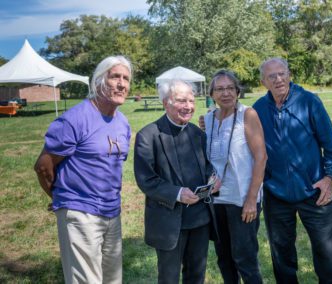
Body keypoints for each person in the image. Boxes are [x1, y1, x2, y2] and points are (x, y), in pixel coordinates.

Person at [34, 55, 132, 284]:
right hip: (81, 213)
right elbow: (43, 166)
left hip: (112, 212)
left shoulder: (123, 122)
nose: (122, 84)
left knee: (112, 280)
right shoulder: (74, 120)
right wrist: (62, 199)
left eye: (126, 78)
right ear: (98, 81)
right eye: (115, 76)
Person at [253, 58, 332, 283]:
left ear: (289, 74)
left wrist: (328, 177)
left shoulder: (309, 101)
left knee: (327, 253)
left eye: (282, 73)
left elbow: (330, 144)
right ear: (263, 81)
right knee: (281, 255)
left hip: (315, 191)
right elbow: (240, 137)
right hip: (277, 194)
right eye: (272, 76)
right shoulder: (257, 110)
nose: (278, 79)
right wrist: (210, 122)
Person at [134, 80, 220, 284]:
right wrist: (178, 193)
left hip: (200, 219)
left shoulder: (198, 134)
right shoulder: (148, 136)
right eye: (181, 100)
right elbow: (146, 180)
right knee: (169, 278)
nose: (188, 106)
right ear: (166, 103)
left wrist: (212, 179)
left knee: (196, 275)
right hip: (169, 222)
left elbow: (207, 166)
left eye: (191, 100)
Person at [204, 70, 267, 283]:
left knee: (245, 258)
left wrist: (251, 199)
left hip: (242, 199)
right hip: (216, 199)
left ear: (238, 91)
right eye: (220, 89)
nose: (226, 93)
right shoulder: (208, 119)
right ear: (211, 93)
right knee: (224, 258)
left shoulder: (247, 115)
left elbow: (261, 157)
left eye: (230, 88)